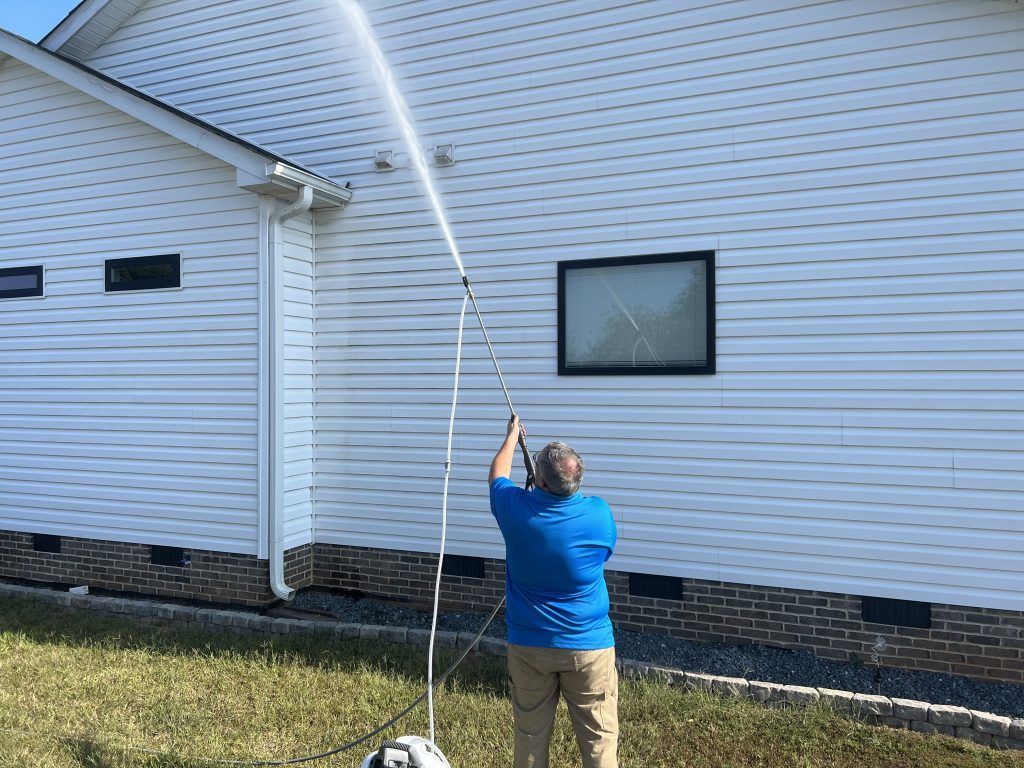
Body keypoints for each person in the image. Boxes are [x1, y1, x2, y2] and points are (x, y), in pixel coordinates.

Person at [488, 415, 618, 768]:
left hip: (530, 647)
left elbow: (497, 476)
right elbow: (604, 552)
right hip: (589, 649)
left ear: (539, 479)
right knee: (599, 740)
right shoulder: (599, 514)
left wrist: (512, 437)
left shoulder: (516, 510)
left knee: (530, 737)